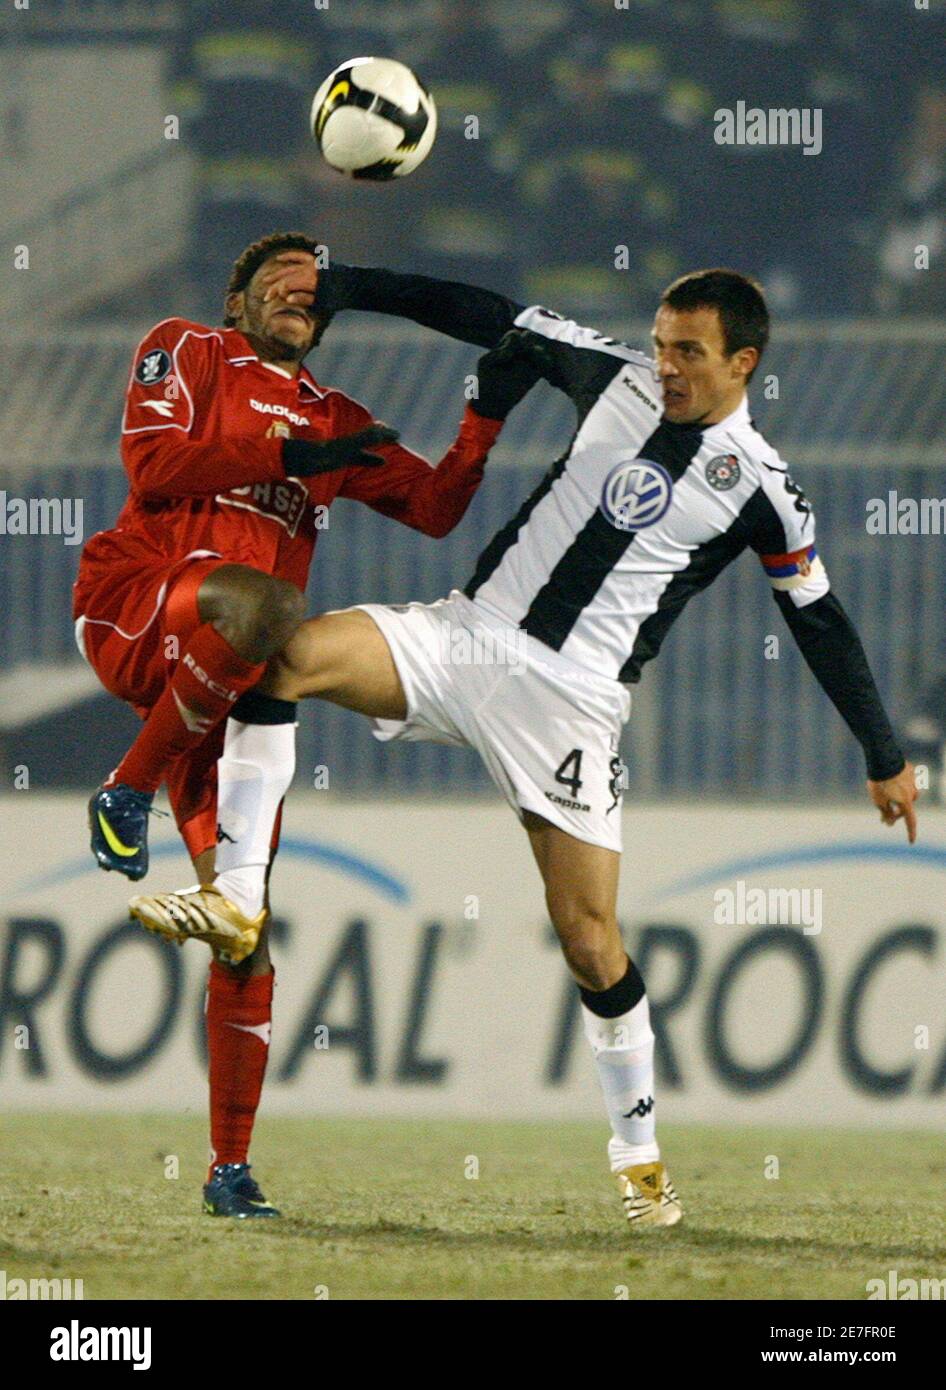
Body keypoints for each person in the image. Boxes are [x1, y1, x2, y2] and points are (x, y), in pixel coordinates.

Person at [131, 255, 918, 1230]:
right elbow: (489, 316)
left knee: (589, 942)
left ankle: (638, 1160)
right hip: (468, 637)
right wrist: (349, 285)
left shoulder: (762, 487)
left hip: (575, 706)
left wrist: (880, 754)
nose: (664, 364)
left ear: (742, 363)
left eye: (688, 352)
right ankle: (239, 898)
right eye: (662, 341)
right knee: (282, 656)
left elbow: (820, 618)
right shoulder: (613, 375)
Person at [75, 233, 531, 1218]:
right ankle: (128, 785)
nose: (298, 292)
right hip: (143, 601)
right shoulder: (187, 348)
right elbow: (152, 467)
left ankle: (227, 1170)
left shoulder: (336, 416)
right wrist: (286, 455)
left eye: (313, 286)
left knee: (245, 932)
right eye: (277, 278)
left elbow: (436, 507)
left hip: (220, 684)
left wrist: (485, 411)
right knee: (274, 609)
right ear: (237, 297)